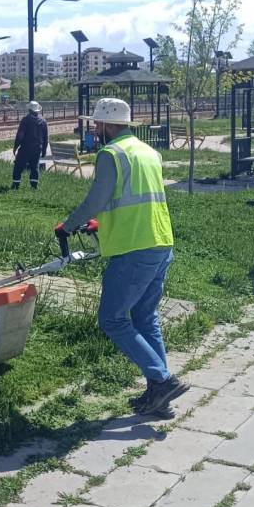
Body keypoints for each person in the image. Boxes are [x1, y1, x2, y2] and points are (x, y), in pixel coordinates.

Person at [56, 98, 186, 416]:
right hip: (160, 241)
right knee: (145, 318)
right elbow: (133, 199)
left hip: (133, 248)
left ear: (107, 125)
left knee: (112, 318)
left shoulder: (110, 153)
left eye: (96, 125)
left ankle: (162, 379)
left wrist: (68, 226)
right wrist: (100, 223)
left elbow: (95, 199)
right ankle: (160, 399)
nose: (94, 130)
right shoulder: (147, 152)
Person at [12, 101, 49, 190]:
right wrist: (44, 150)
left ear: (29, 109)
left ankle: (16, 185)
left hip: (26, 147)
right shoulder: (43, 121)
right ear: (37, 110)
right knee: (34, 167)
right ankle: (34, 186)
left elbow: (20, 135)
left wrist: (16, 147)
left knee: (18, 166)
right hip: (37, 148)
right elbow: (46, 137)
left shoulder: (25, 120)